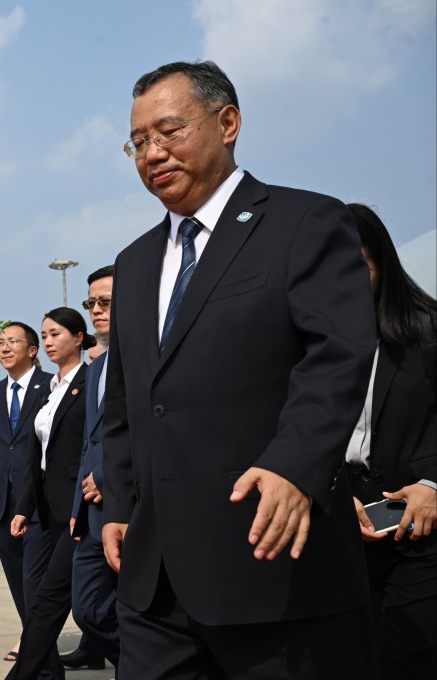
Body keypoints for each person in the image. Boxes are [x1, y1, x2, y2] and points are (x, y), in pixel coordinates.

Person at [101, 60, 379, 678]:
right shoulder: (136, 262)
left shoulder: (303, 223)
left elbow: (337, 356)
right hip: (156, 586)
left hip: (275, 569)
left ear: (227, 123)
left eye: (169, 131)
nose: (152, 153)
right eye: (138, 142)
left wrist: (294, 464)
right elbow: (124, 400)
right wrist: (118, 504)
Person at [345, 202, 436, 679]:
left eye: (356, 265)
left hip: (421, 529)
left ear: (382, 263)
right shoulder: (304, 346)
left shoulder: (426, 330)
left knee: (404, 658)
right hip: (348, 528)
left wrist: (433, 485)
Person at [6, 307, 97, 680]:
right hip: (45, 509)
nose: (48, 341)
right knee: (41, 597)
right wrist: (23, 508)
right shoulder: (49, 388)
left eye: (55, 334)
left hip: (78, 508)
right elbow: (36, 457)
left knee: (59, 603)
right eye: (44, 335)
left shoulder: (91, 381)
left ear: (78, 337)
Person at [0, 322, 54, 663]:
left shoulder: (50, 385)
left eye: (13, 342)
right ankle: (32, 637)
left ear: (33, 350)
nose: (5, 348)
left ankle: (36, 645)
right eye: (0, 343)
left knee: (34, 579)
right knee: (15, 577)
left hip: (39, 500)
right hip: (4, 502)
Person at [62, 266, 120, 672]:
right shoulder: (95, 368)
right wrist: (75, 507)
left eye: (106, 303)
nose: (95, 310)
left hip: (129, 504)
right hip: (90, 509)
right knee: (88, 610)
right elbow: (89, 440)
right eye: (90, 304)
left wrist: (109, 476)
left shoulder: (150, 358)